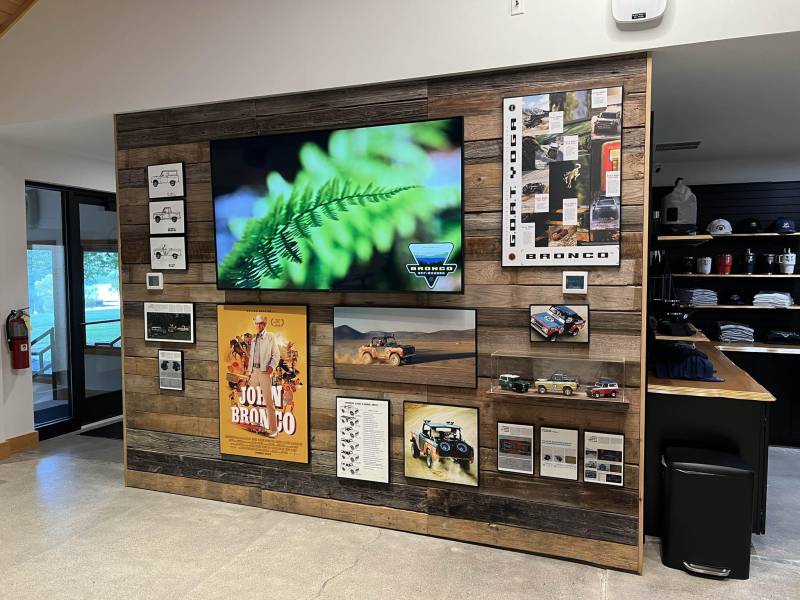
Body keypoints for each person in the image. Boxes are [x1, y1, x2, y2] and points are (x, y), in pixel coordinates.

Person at [246, 315, 281, 437]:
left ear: (264, 324)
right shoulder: (254, 338)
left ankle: (273, 429)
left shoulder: (270, 337)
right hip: (254, 372)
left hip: (264, 372)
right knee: (253, 398)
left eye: (260, 323)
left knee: (268, 401)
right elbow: (251, 357)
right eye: (256, 323)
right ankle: (256, 422)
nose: (258, 325)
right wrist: (249, 373)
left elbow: (276, 355)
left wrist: (271, 367)